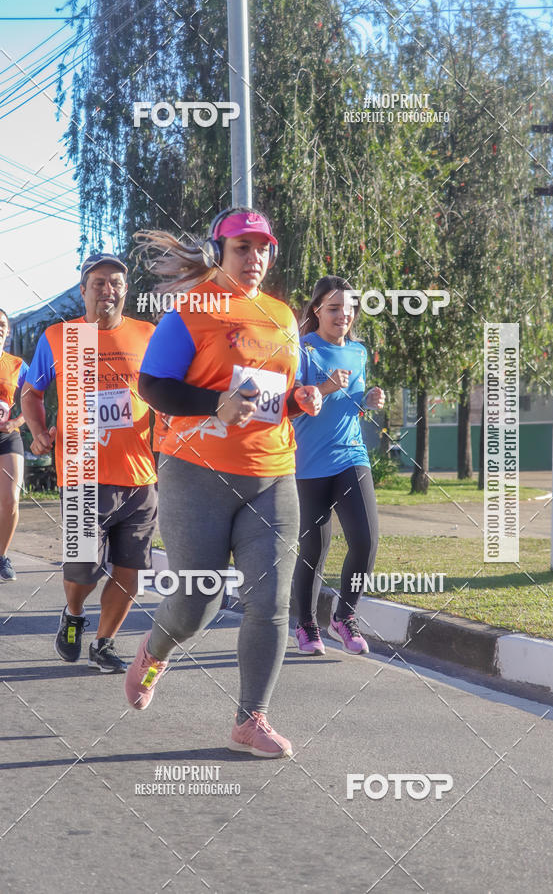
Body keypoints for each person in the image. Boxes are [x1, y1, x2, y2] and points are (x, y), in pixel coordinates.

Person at [125, 207, 321, 758]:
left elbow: (279, 391)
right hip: (196, 473)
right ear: (220, 252)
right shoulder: (189, 313)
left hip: (273, 473)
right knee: (197, 601)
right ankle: (155, 650)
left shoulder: (283, 316)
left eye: (262, 248)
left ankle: (249, 719)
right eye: (242, 248)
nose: (254, 258)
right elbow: (153, 387)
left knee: (271, 601)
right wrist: (215, 403)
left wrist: (300, 398)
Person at [21, 254, 158, 673]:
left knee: (130, 568)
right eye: (98, 282)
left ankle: (104, 643)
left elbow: (164, 394)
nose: (107, 290)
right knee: (83, 572)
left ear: (126, 289)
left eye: (115, 282)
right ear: (83, 290)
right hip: (81, 470)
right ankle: (75, 614)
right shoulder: (61, 337)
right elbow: (31, 394)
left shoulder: (147, 335)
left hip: (138, 475)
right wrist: (39, 431)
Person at [292, 276, 385, 655]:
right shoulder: (302, 349)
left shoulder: (359, 352)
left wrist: (370, 398)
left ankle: (343, 616)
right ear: (316, 311)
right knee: (314, 547)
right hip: (308, 462)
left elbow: (355, 403)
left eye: (348, 309)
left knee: (365, 539)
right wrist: (326, 388)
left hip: (351, 454)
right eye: (333, 308)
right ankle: (306, 624)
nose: (342, 315)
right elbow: (294, 403)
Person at [0, 308, 29, 580]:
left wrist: (15, 423)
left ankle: (1, 556)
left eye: (2, 324)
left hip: (6, 435)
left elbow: (33, 402)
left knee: (11, 500)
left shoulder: (18, 365)